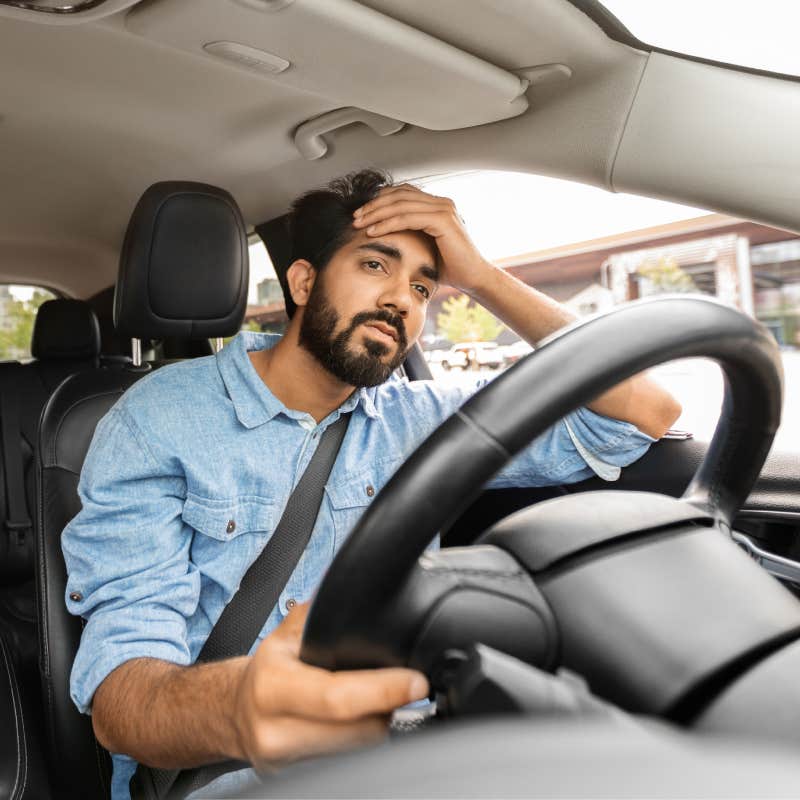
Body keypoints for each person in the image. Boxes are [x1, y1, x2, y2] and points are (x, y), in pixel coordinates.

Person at [62, 169, 682, 799]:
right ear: (303, 282)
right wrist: (239, 705)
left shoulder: (420, 419)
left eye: (422, 285)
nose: (402, 300)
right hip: (227, 775)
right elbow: (121, 699)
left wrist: (483, 277)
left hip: (408, 760)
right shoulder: (157, 418)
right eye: (375, 266)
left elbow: (643, 413)